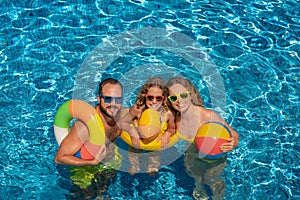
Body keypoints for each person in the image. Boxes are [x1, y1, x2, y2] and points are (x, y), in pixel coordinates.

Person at [166, 77, 239, 199]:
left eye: (183, 95)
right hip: (192, 155)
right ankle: (199, 188)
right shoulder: (175, 118)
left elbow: (234, 134)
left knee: (212, 180)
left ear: (191, 95)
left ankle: (218, 196)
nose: (179, 101)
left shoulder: (207, 116)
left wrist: (234, 142)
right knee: (195, 176)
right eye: (173, 98)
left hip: (214, 159)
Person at [54, 78, 123, 197]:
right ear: (99, 99)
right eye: (108, 99)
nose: (113, 104)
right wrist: (92, 163)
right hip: (85, 172)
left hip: (107, 167)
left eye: (118, 100)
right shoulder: (84, 127)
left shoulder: (120, 118)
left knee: (102, 193)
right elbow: (60, 158)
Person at [121, 77, 176, 175]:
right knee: (134, 153)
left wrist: (167, 134)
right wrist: (132, 131)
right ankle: (134, 164)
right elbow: (122, 123)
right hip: (137, 140)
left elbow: (172, 128)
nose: (154, 102)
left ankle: (152, 166)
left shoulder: (167, 114)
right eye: (150, 97)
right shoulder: (138, 110)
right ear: (144, 96)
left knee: (154, 157)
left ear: (163, 98)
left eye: (158, 98)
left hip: (155, 143)